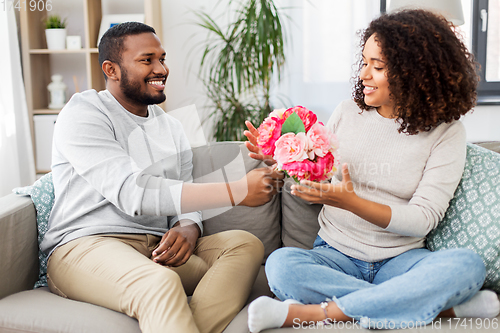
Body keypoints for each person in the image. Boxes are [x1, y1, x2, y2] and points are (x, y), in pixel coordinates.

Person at [243, 9, 500, 332]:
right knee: (281, 265)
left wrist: (353, 203)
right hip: (334, 255)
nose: (364, 74)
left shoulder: (446, 132)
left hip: (401, 261)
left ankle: (314, 314)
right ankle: (436, 310)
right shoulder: (348, 112)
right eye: (363, 62)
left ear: (413, 72)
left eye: (377, 66)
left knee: (467, 266)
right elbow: (318, 181)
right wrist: (280, 160)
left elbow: (423, 219)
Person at [41, 22, 284, 333]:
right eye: (147, 60)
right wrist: (235, 191)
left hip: (155, 249)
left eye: (162, 58)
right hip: (86, 246)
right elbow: (133, 192)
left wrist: (188, 226)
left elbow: (186, 191)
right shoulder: (85, 113)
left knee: (245, 244)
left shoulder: (171, 127)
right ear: (111, 70)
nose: (161, 69)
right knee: (160, 283)